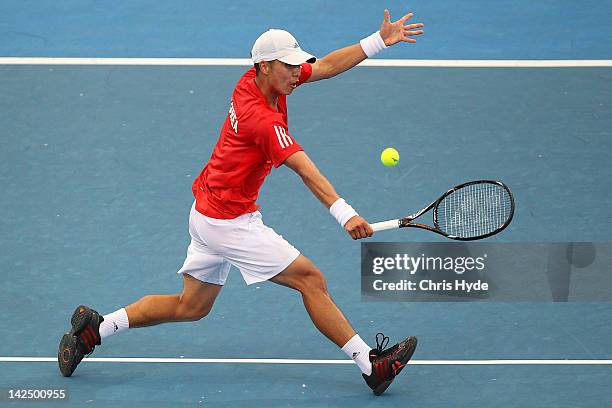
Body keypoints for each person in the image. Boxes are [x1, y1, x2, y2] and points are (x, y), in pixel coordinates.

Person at [58, 9, 424, 396]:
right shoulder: (260, 120)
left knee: (191, 307)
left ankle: (94, 329)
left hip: (206, 212)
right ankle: (371, 364)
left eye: (297, 65)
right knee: (311, 279)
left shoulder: (257, 80)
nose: (297, 73)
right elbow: (304, 169)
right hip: (229, 222)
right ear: (266, 66)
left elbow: (329, 65)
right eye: (289, 67)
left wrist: (379, 40)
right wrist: (345, 213)